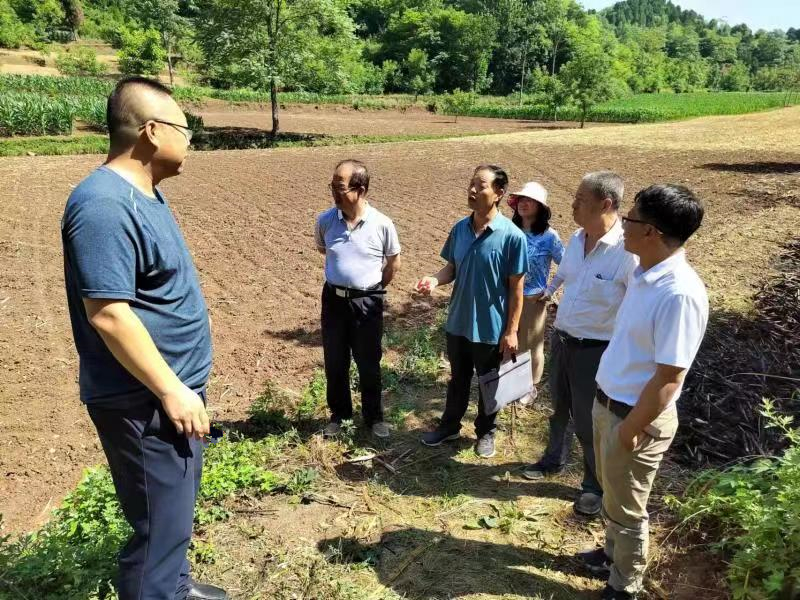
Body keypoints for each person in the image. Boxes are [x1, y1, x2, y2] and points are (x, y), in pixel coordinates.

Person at [61, 77, 227, 600]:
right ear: (152, 133)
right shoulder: (104, 205)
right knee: (157, 529)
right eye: (185, 128)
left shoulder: (143, 194)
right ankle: (162, 589)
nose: (191, 139)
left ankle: (177, 585)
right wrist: (171, 389)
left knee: (173, 516)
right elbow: (108, 314)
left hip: (168, 394)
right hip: (144, 400)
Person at [578, 184, 708, 599]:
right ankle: (611, 553)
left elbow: (669, 377)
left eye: (630, 219)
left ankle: (625, 583)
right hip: (609, 403)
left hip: (636, 417)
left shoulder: (679, 293)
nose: (623, 225)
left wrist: (632, 428)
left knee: (628, 506)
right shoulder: (642, 273)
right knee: (611, 491)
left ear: (650, 231)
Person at [523, 172, 638, 518]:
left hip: (597, 351)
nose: (572, 204)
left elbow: (634, 306)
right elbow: (566, 272)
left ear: (606, 204)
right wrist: (551, 288)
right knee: (558, 407)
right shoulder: (577, 237)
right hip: (564, 338)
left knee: (590, 422)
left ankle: (593, 485)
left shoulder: (625, 252)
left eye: (579, 199)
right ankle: (553, 458)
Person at [415, 164, 527, 459]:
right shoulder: (459, 229)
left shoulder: (512, 237)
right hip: (458, 321)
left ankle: (486, 432)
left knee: (490, 383)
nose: (473, 190)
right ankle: (449, 426)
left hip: (491, 327)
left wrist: (512, 331)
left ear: (499, 193)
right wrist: (434, 280)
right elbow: (451, 267)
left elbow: (516, 290)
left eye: (481, 185)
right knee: (457, 379)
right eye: (471, 184)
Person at [315, 159, 401, 439]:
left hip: (368, 302)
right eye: (332, 185)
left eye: (339, 187)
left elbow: (393, 264)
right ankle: (339, 417)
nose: (333, 191)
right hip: (334, 302)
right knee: (335, 361)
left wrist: (370, 289)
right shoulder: (326, 221)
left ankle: (374, 418)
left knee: (368, 362)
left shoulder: (382, 224)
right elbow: (323, 251)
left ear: (360, 189)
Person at [507, 181, 564, 403]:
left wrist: (550, 290)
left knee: (530, 345)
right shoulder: (509, 231)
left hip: (533, 298)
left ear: (540, 207)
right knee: (508, 341)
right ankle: (509, 381)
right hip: (508, 295)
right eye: (521, 199)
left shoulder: (550, 236)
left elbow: (567, 265)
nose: (523, 203)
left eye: (529, 200)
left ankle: (530, 385)